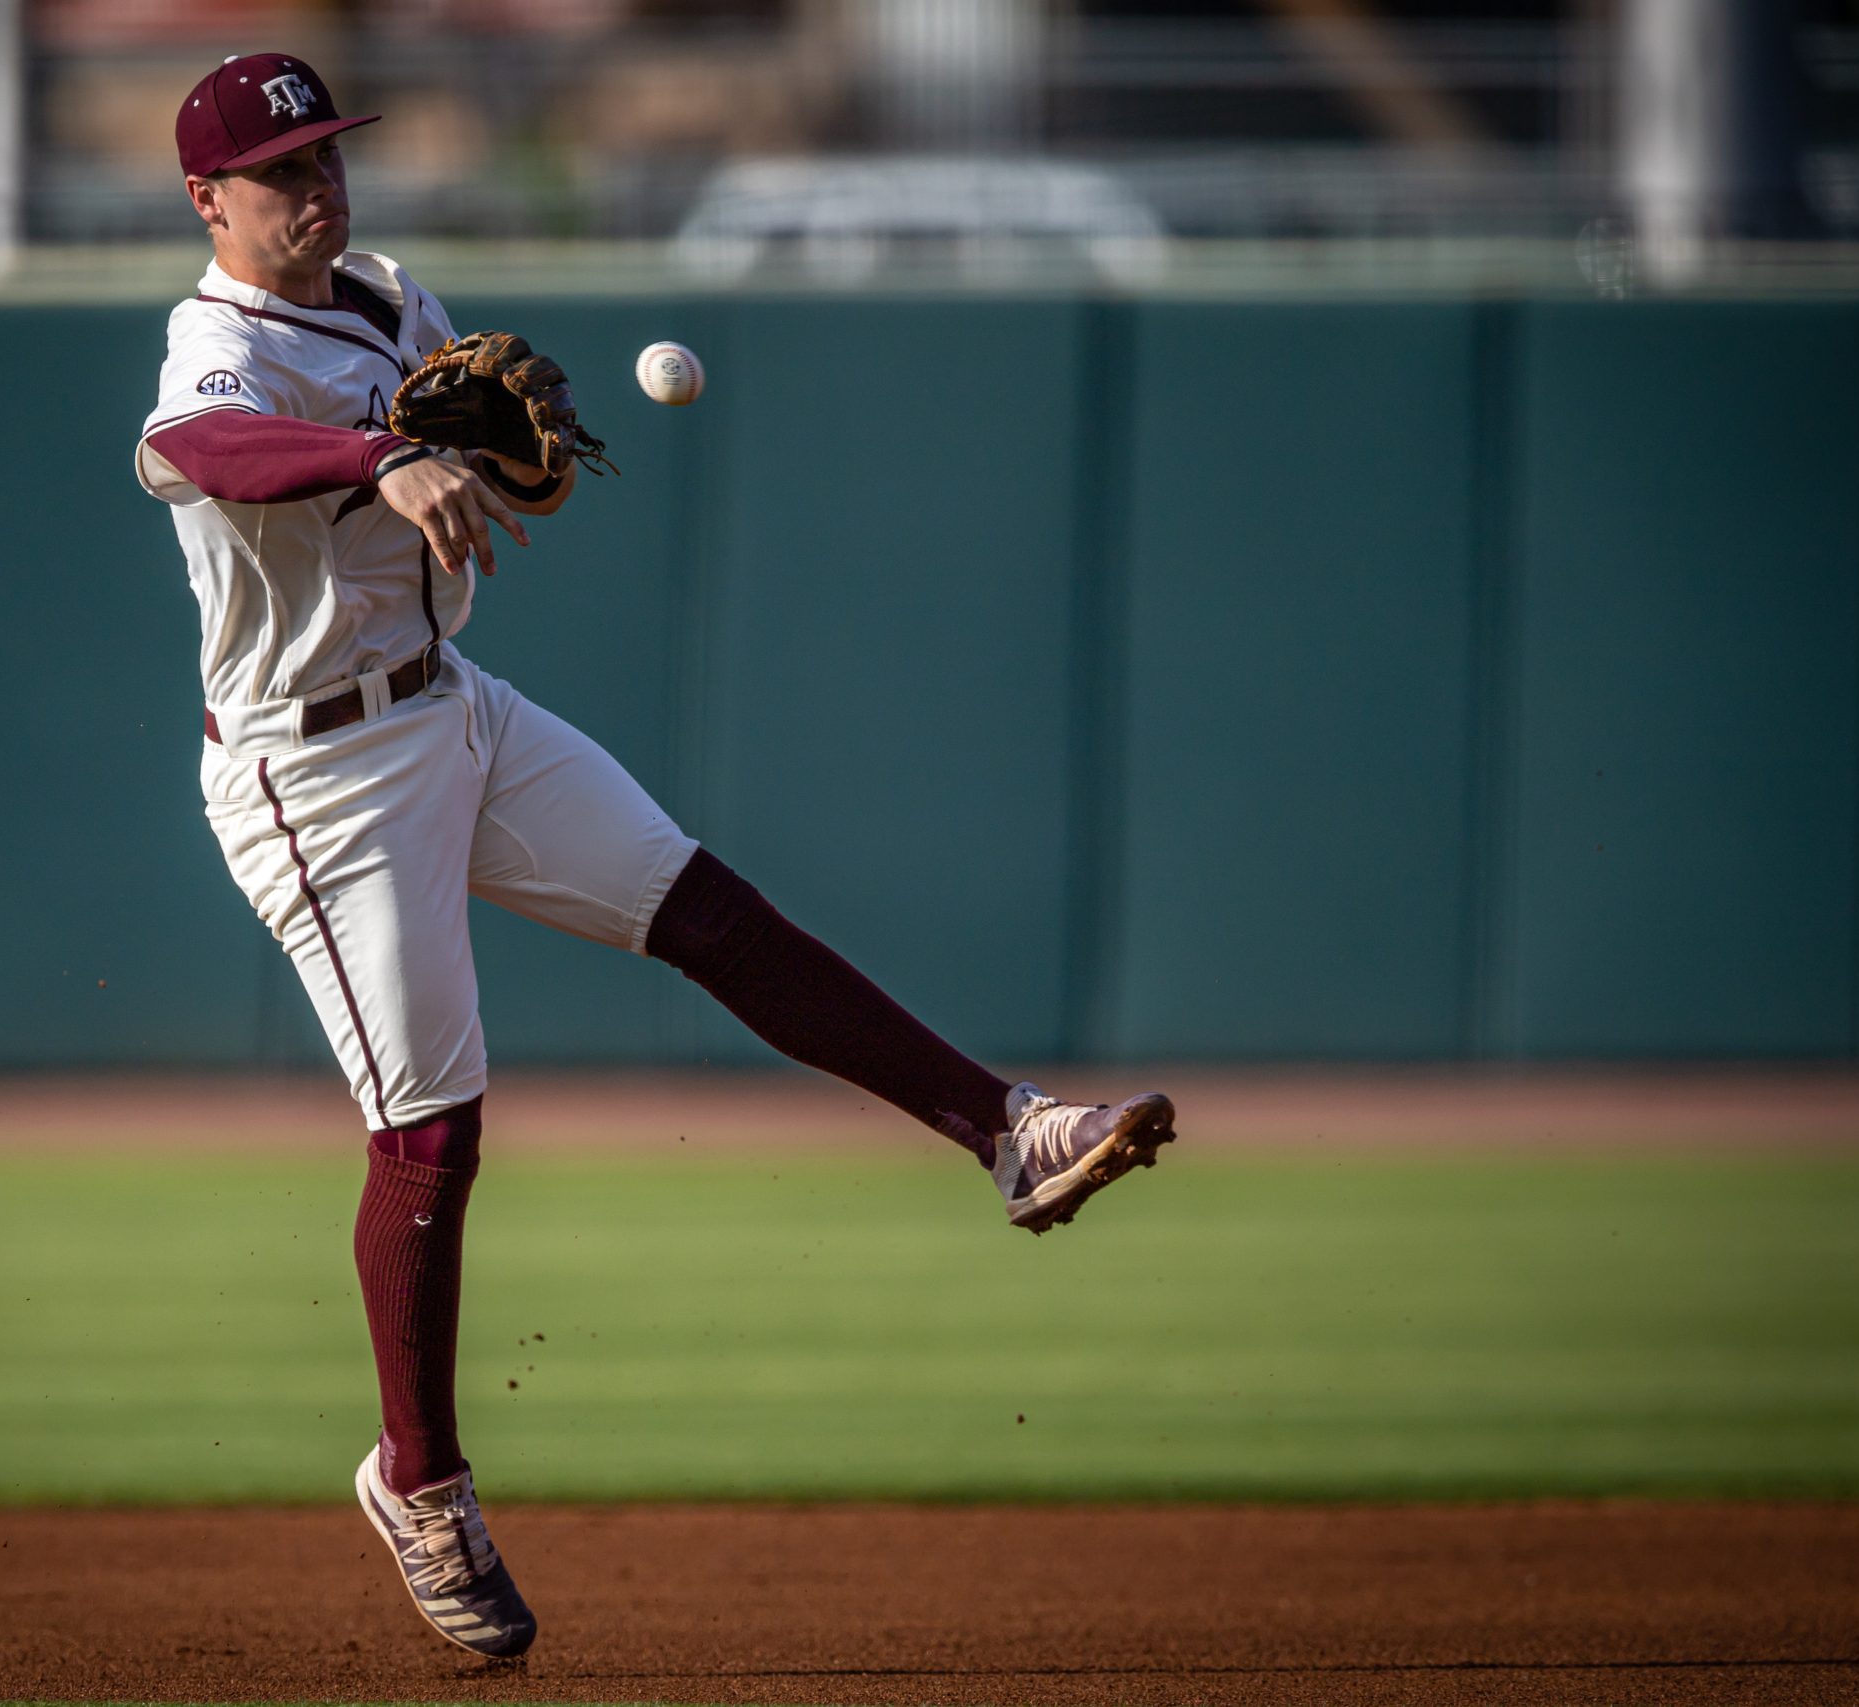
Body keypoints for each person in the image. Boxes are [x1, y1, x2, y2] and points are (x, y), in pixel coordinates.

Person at [134, 53, 1179, 1663]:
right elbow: (210, 455)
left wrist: (493, 456)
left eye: (330, 155)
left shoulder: (391, 295)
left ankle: (1008, 1132)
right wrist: (379, 461)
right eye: (282, 173)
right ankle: (418, 1483)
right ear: (209, 199)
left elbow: (477, 454)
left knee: (705, 909)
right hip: (314, 776)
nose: (319, 188)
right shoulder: (217, 342)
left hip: (453, 711)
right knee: (432, 1133)